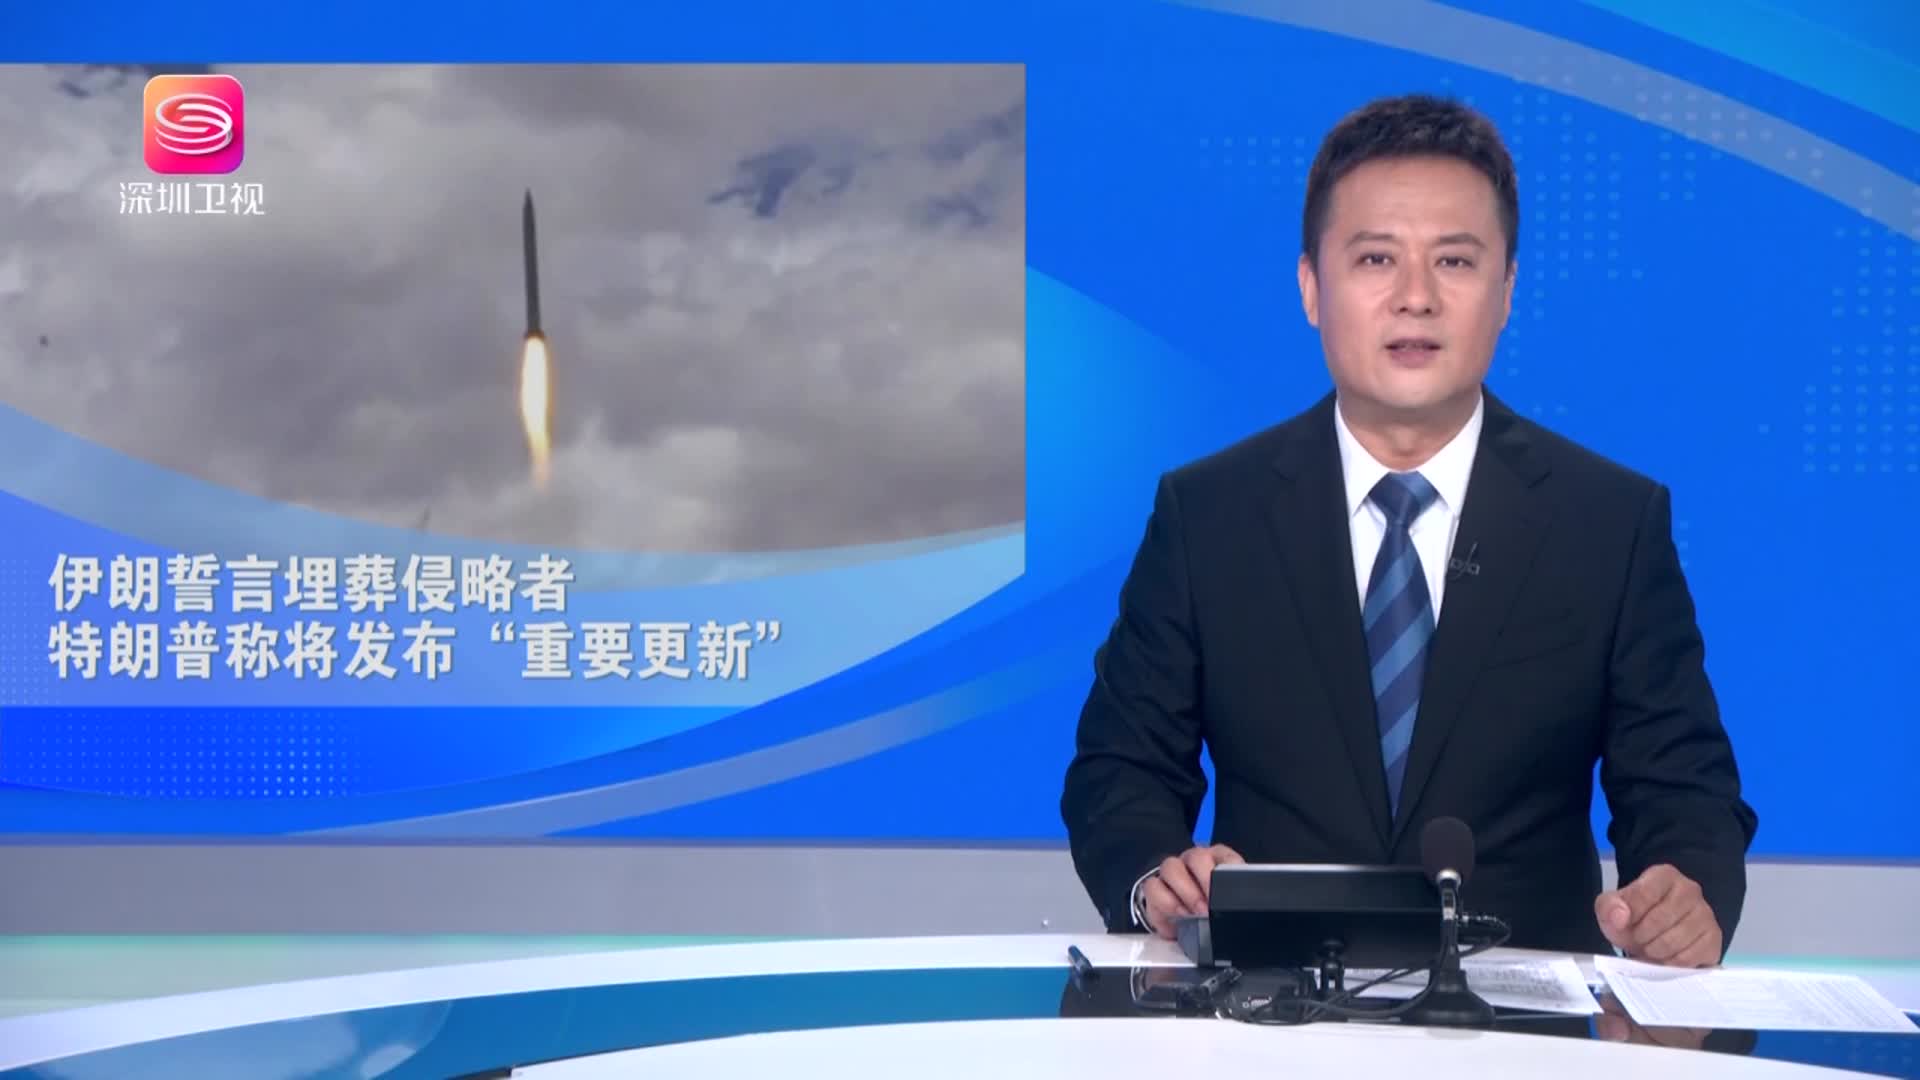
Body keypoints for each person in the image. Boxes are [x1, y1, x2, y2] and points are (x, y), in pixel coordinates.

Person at [1059, 93, 1757, 967]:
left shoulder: (1608, 522)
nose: (1416, 298)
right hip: (1268, 1005)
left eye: (1455, 261)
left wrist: (1683, 895)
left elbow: (1684, 791)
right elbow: (1120, 770)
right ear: (1312, 288)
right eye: (1376, 258)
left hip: (1515, 1020)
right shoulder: (1208, 515)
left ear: (1506, 291)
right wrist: (1155, 881)